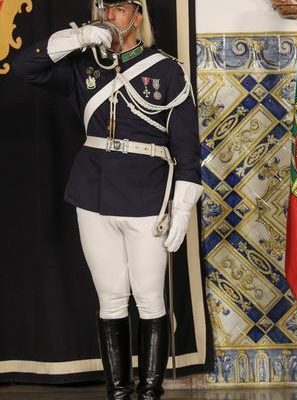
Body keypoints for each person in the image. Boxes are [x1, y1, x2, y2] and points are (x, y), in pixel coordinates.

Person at [13, 1, 201, 399]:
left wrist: (182, 207)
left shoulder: (166, 70)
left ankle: (150, 392)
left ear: (137, 15)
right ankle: (118, 391)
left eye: (118, 8)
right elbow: (26, 68)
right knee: (110, 299)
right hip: (93, 192)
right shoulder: (85, 65)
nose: (109, 15)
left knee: (149, 299)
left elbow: (187, 147)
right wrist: (78, 38)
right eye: (104, 6)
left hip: (146, 193)